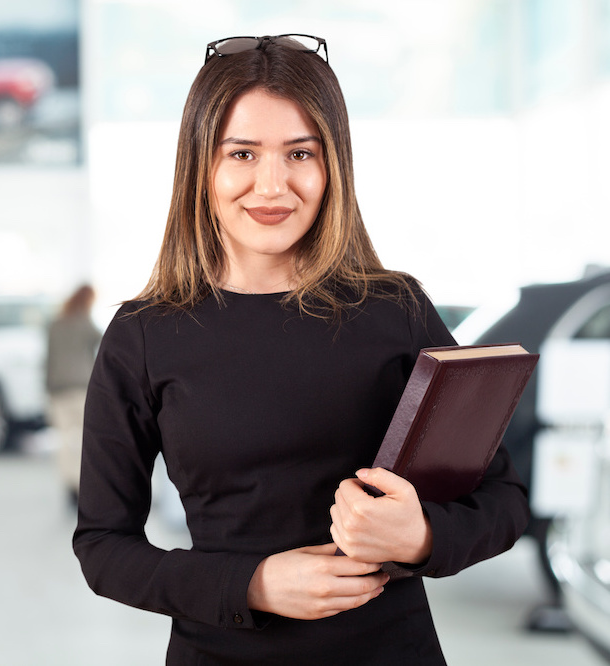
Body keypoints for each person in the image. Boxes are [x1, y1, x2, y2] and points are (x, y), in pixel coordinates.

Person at [73, 35, 530, 665]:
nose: (272, 185)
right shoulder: (143, 334)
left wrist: (421, 535)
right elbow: (103, 547)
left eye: (300, 153)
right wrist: (253, 584)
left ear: (331, 165)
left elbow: (504, 501)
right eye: (242, 153)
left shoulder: (396, 310)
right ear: (201, 165)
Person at [45, 284, 102, 505]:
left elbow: (49, 359)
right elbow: (106, 343)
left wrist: (48, 388)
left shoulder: (55, 325)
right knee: (85, 439)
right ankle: (85, 485)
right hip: (82, 387)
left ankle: (70, 483)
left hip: (58, 388)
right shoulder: (85, 323)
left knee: (64, 440)